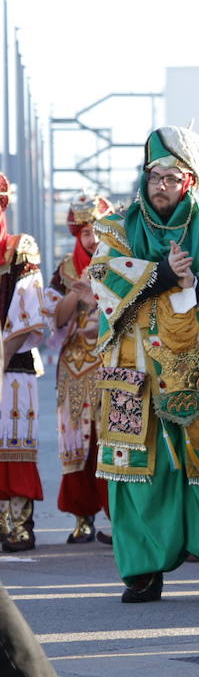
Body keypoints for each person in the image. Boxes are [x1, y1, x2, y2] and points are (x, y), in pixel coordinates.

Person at [90, 125, 199, 603]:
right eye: (155, 176)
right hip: (136, 369)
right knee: (142, 473)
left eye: (172, 177)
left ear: (188, 183)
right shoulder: (116, 228)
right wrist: (162, 274)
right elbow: (103, 273)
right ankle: (145, 572)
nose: (161, 185)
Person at [41, 192, 114, 545]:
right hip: (74, 369)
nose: (93, 239)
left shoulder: (121, 264)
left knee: (112, 443)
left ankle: (116, 516)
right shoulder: (65, 270)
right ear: (77, 236)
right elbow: (55, 319)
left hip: (111, 366)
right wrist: (78, 290)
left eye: (98, 231)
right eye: (86, 233)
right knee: (75, 446)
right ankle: (82, 518)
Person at [0, 174, 45, 554]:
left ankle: (18, 524)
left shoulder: (20, 249)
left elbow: (28, 311)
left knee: (14, 446)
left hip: (13, 364)